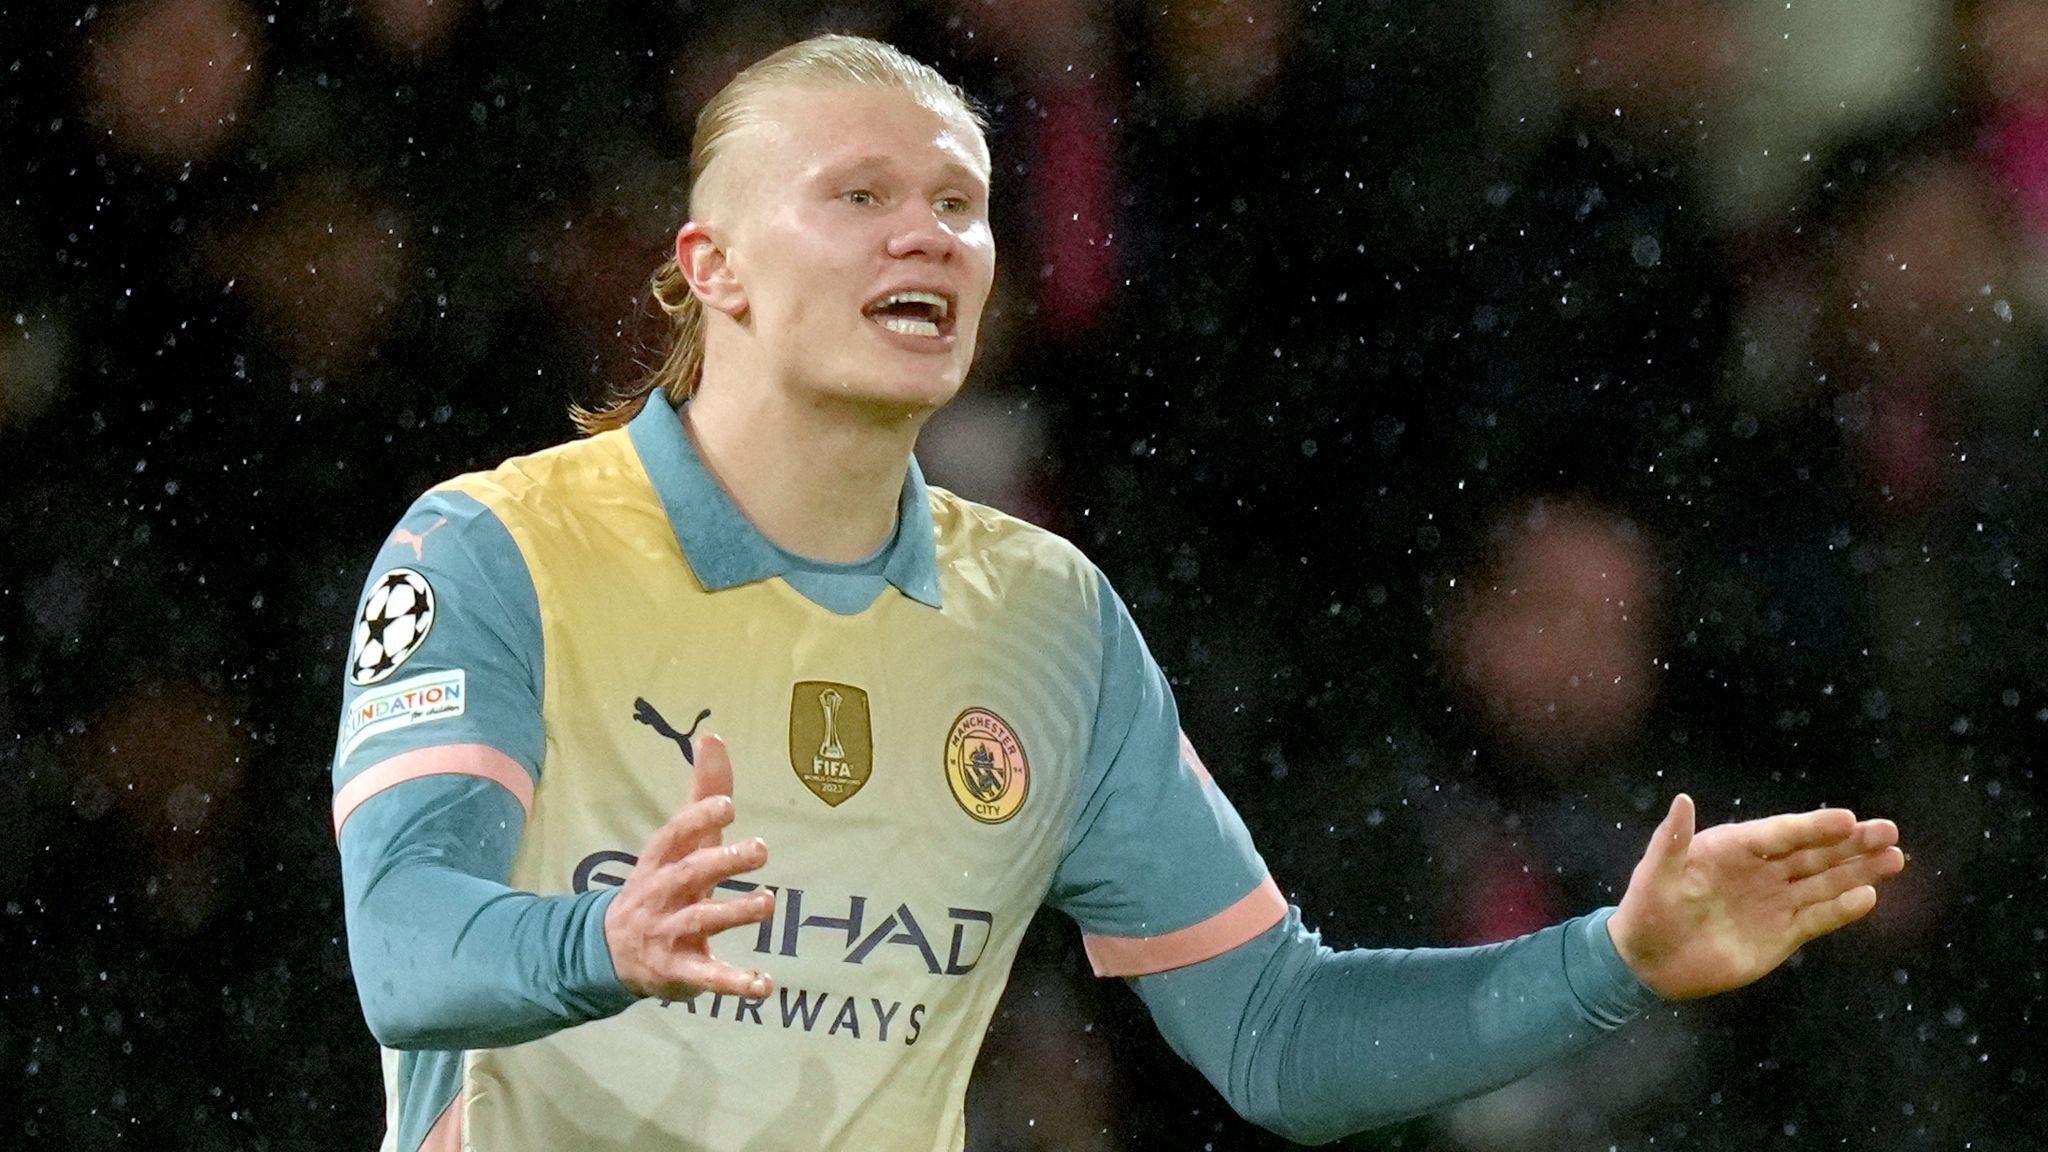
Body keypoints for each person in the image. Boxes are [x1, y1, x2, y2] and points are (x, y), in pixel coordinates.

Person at [329, 33, 1906, 1152]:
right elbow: (402, 949)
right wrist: (597, 943)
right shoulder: (496, 549)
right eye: (860, 196)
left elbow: (1279, 1037)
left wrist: (1609, 962)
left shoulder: (1046, 618)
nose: (930, 237)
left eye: (960, 205)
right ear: (716, 265)